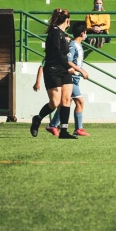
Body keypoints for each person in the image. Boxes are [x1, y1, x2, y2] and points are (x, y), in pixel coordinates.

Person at [29, 8, 88, 140]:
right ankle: (37, 119)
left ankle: (64, 131)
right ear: (67, 21)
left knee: (66, 100)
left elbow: (64, 54)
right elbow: (57, 53)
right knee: (55, 102)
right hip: (53, 70)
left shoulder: (62, 34)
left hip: (64, 70)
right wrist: (69, 67)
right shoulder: (55, 32)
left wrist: (67, 68)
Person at [45, 22, 91, 137]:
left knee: (66, 103)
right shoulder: (73, 46)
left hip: (75, 79)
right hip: (70, 78)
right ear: (83, 33)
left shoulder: (78, 45)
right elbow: (68, 61)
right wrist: (81, 71)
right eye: (85, 32)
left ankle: (53, 125)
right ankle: (78, 129)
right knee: (79, 101)